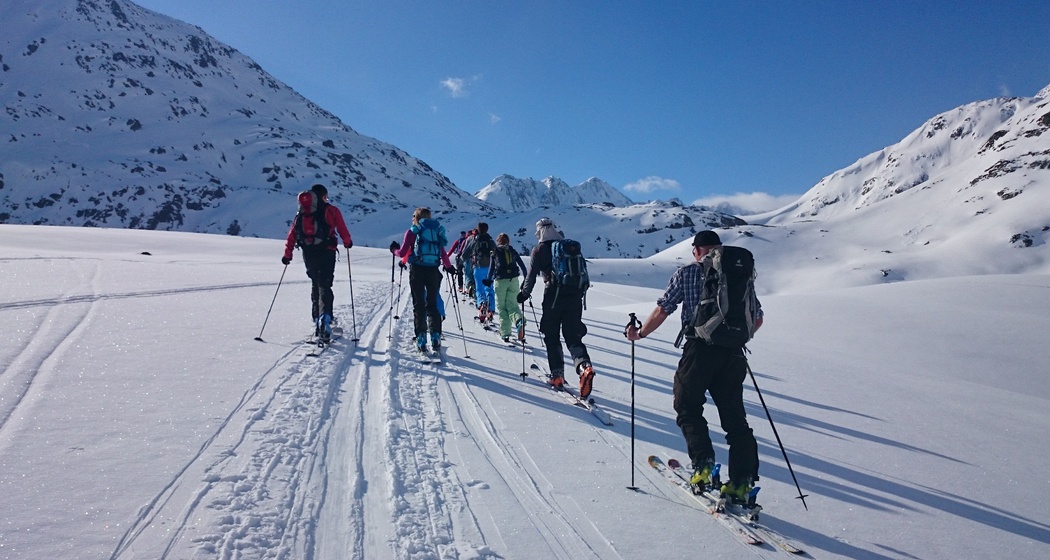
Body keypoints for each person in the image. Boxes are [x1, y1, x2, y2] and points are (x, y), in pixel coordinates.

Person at [625, 230, 764, 503]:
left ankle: (702, 466)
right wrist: (733, 337)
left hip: (699, 351)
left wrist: (640, 334)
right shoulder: (739, 275)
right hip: (734, 355)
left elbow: (664, 309)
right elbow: (757, 318)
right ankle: (741, 482)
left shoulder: (687, 273)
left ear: (696, 250)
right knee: (736, 421)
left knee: (687, 406)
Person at [517, 217, 595, 398]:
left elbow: (531, 276)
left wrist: (524, 294)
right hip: (575, 296)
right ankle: (584, 367)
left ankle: (557, 375)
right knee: (573, 335)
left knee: (551, 334)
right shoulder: (567, 247)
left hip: (553, 295)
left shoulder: (539, 249)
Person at [281, 183, 352, 342]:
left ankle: (317, 319)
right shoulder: (331, 210)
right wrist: (347, 242)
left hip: (309, 253)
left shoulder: (302, 213)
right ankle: (325, 321)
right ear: (323, 196)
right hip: (327, 251)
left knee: (315, 284)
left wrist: (288, 255)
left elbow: (292, 235)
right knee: (325, 285)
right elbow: (342, 229)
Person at [390, 208, 456, 352]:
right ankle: (435, 336)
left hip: (417, 270)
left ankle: (421, 339)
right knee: (432, 305)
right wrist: (449, 267)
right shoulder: (437, 231)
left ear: (416, 217)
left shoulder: (413, 231)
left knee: (419, 305)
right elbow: (443, 253)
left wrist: (394, 250)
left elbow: (402, 252)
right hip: (433, 270)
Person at [484, 233, 528, 343]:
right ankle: (519, 321)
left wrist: (488, 280)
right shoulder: (512, 251)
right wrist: (526, 280)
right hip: (513, 280)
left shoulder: (494, 252)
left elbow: (491, 268)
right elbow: (523, 267)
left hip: (500, 281)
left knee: (502, 307)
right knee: (512, 305)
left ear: (498, 241)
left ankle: (505, 333)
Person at [462, 222, 496, 323]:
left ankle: (482, 305)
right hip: (490, 268)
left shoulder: (474, 240)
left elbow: (465, 255)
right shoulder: (490, 240)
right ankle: (491, 310)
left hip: (478, 266)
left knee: (480, 288)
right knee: (490, 289)